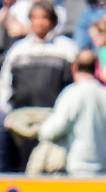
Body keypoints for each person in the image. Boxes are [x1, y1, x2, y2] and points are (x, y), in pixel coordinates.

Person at [0, 0, 77, 171]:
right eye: (35, 18)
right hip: (22, 122)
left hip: (53, 121)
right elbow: (6, 85)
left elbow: (74, 86)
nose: (39, 22)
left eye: (44, 18)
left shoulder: (67, 49)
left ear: (53, 21)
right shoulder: (18, 50)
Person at [37, 50, 106, 175]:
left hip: (76, 171)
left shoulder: (71, 94)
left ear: (74, 67)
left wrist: (39, 128)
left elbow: (50, 131)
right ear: (96, 67)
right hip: (105, 172)